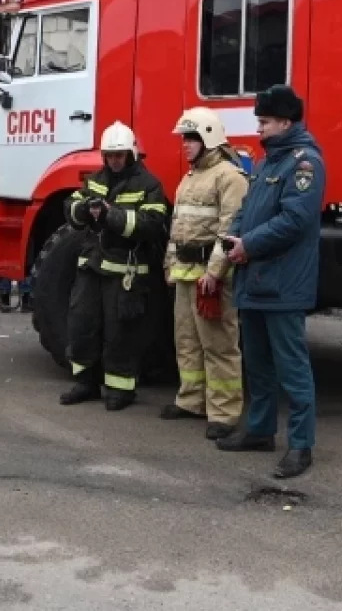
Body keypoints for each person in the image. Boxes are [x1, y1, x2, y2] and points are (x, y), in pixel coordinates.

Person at [216, 85, 324, 480]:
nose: (258, 128)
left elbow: (295, 220)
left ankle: (301, 445)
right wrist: (234, 237)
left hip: (282, 283)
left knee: (292, 367)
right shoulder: (266, 164)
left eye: (263, 121)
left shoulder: (304, 163)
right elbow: (248, 209)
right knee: (258, 365)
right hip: (256, 278)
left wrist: (249, 244)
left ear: (285, 121)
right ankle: (260, 431)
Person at [60, 121, 169, 411]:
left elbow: (152, 225)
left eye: (119, 155)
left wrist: (112, 216)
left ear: (131, 154)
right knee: (81, 324)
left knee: (122, 333)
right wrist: (83, 210)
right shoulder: (96, 179)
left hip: (125, 272)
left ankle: (121, 389)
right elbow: (71, 207)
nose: (114, 161)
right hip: (92, 267)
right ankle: (85, 382)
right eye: (109, 155)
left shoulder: (149, 185)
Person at [161, 108, 249, 440]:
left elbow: (228, 229)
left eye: (189, 138)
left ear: (208, 138)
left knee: (219, 344)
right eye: (183, 138)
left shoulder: (230, 177)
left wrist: (214, 273)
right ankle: (191, 400)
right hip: (186, 274)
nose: (183, 145)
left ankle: (224, 412)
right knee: (186, 341)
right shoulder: (190, 177)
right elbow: (177, 226)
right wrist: (170, 264)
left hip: (211, 278)